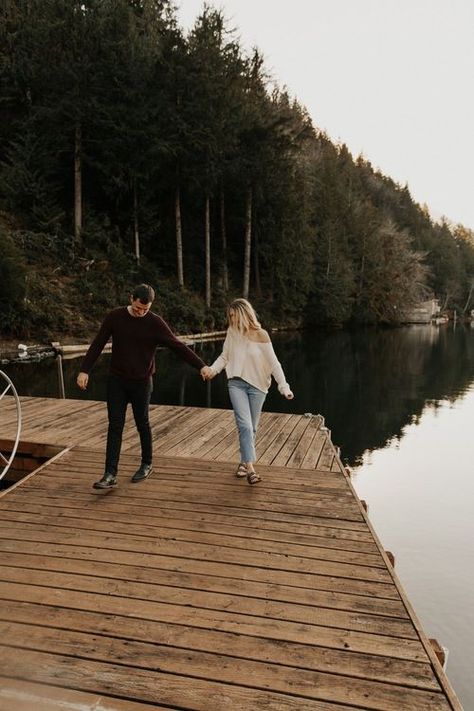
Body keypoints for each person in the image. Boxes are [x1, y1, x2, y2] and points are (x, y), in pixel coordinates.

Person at [77, 283, 208, 489]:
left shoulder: (155, 322)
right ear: (131, 299)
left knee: (142, 422)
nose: (141, 313)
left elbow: (176, 346)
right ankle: (110, 474)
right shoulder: (115, 316)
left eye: (145, 309)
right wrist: (85, 369)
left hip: (142, 382)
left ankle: (146, 464)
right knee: (115, 425)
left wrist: (200, 366)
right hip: (117, 380)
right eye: (138, 308)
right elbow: (98, 343)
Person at [202, 298, 294, 485]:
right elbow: (224, 356)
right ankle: (251, 469)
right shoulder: (232, 333)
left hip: (258, 386)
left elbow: (274, 364)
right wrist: (212, 370)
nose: (232, 320)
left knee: (251, 427)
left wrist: (284, 387)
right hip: (236, 383)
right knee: (244, 425)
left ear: (244, 315)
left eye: (234, 316)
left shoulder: (262, 335)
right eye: (230, 317)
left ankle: (243, 462)